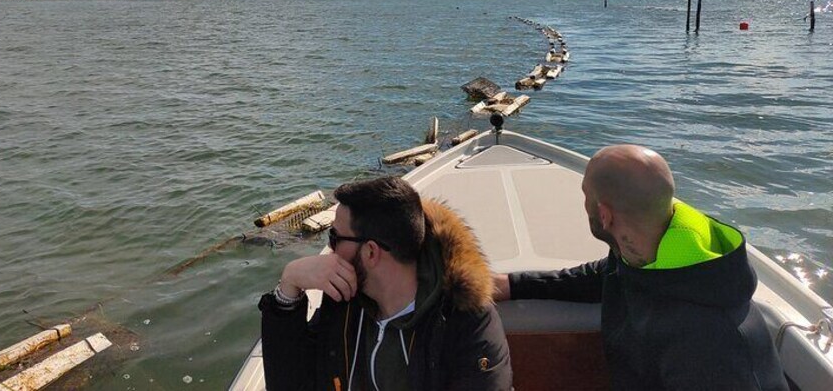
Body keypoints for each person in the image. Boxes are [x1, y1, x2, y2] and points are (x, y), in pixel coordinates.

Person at [494, 144, 788, 390]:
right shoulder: (657, 253)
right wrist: (514, 284)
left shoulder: (708, 341)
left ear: (604, 215)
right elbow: (607, 275)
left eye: (585, 196)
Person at [260, 176, 512, 391]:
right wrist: (289, 287)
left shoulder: (467, 323)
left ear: (371, 252)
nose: (329, 249)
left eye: (335, 237)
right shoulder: (344, 300)